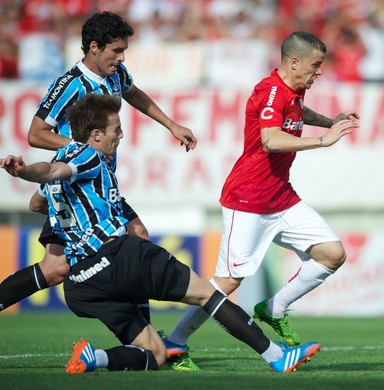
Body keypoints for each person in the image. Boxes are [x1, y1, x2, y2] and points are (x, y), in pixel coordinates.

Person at [0, 93, 320, 374]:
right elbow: (51, 170)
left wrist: (75, 210)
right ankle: (277, 356)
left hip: (82, 285)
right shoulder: (87, 154)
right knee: (208, 294)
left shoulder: (64, 164)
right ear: (95, 134)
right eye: (116, 130)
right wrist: (25, 170)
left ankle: (93, 357)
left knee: (155, 354)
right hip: (116, 256)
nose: (121, 135)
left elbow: (37, 202)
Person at [0, 10, 200, 369]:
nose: (122, 58)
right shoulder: (69, 84)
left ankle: (149, 344)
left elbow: (134, 93)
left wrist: (171, 124)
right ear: (94, 47)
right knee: (121, 241)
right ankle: (151, 345)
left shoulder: (115, 74)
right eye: (117, 51)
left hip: (99, 185)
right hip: (80, 183)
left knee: (57, 267)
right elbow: (36, 133)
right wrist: (82, 153)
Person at [160, 31, 359, 355]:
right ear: (294, 62)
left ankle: (274, 308)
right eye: (315, 65)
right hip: (248, 200)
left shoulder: (292, 92)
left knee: (332, 254)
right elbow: (271, 139)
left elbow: (297, 114)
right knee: (226, 283)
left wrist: (328, 122)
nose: (319, 72)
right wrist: (324, 141)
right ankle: (175, 341)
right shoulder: (270, 92)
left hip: (281, 196)